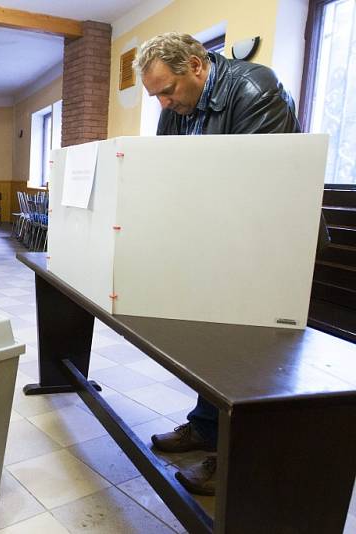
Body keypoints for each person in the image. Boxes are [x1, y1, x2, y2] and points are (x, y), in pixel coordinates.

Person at [134, 32, 301, 497]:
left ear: (197, 65)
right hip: (215, 240)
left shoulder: (255, 88)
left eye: (168, 90)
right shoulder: (175, 111)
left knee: (248, 355)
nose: (165, 103)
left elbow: (257, 184)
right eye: (156, 96)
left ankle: (237, 456)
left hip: (270, 244)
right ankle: (207, 426)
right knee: (210, 341)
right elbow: (167, 175)